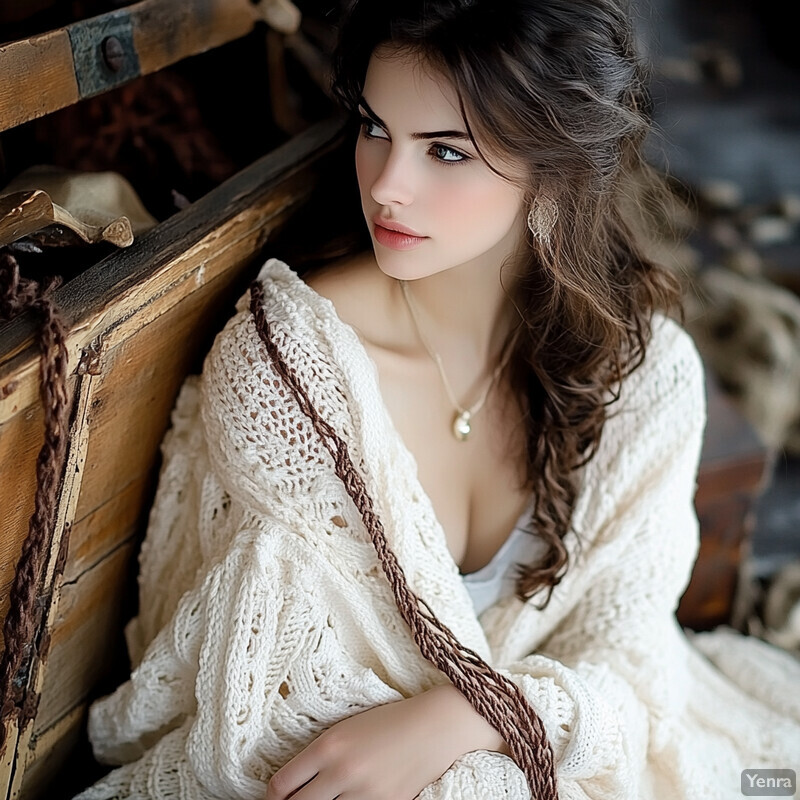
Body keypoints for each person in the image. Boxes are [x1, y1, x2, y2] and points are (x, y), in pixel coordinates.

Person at [74, 0, 800, 798]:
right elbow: (284, 721)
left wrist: (474, 714)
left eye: (445, 151)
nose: (388, 186)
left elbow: (629, 657)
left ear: (555, 171)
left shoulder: (644, 374)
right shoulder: (291, 375)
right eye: (375, 127)